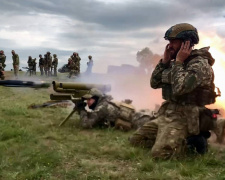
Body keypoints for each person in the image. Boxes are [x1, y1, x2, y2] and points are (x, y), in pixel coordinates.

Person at [129, 23, 219, 159]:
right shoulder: (175, 62)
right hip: (168, 114)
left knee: (160, 155)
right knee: (136, 141)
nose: (170, 45)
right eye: (169, 42)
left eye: (173, 42)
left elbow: (179, 88)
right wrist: (164, 63)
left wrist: (178, 63)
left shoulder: (199, 64)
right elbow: (154, 83)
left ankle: (195, 143)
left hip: (186, 118)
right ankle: (169, 139)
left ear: (187, 43)